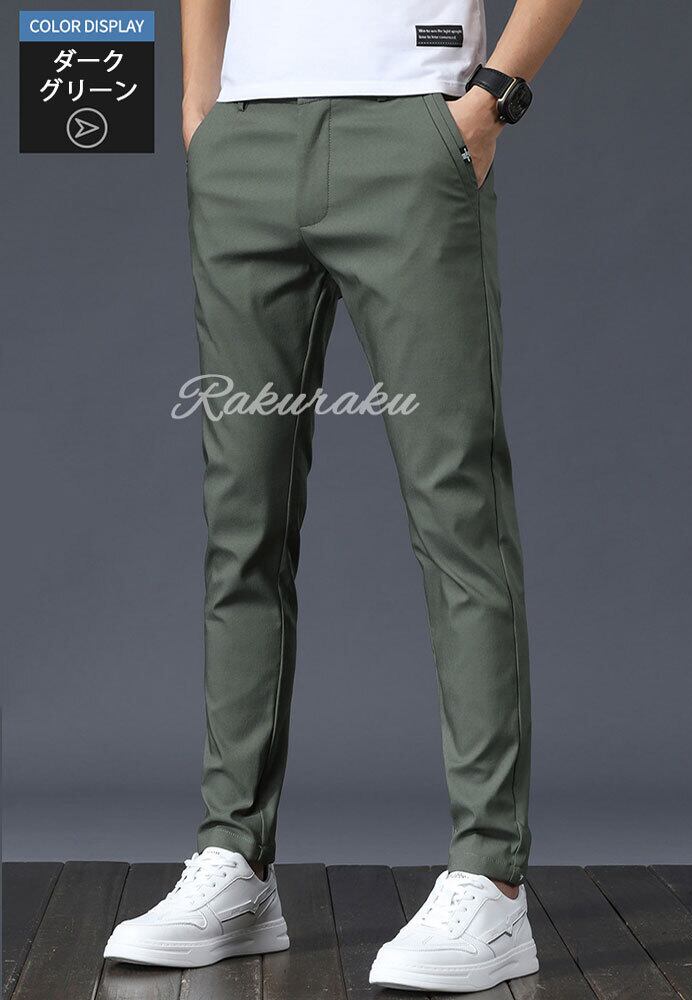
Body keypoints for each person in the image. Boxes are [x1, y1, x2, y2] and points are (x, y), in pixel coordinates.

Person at [104, 0, 581, 990]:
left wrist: (492, 97)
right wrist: (201, 104)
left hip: (411, 127)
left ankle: (490, 879)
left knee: (458, 513)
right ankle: (235, 857)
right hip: (242, 138)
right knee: (242, 522)